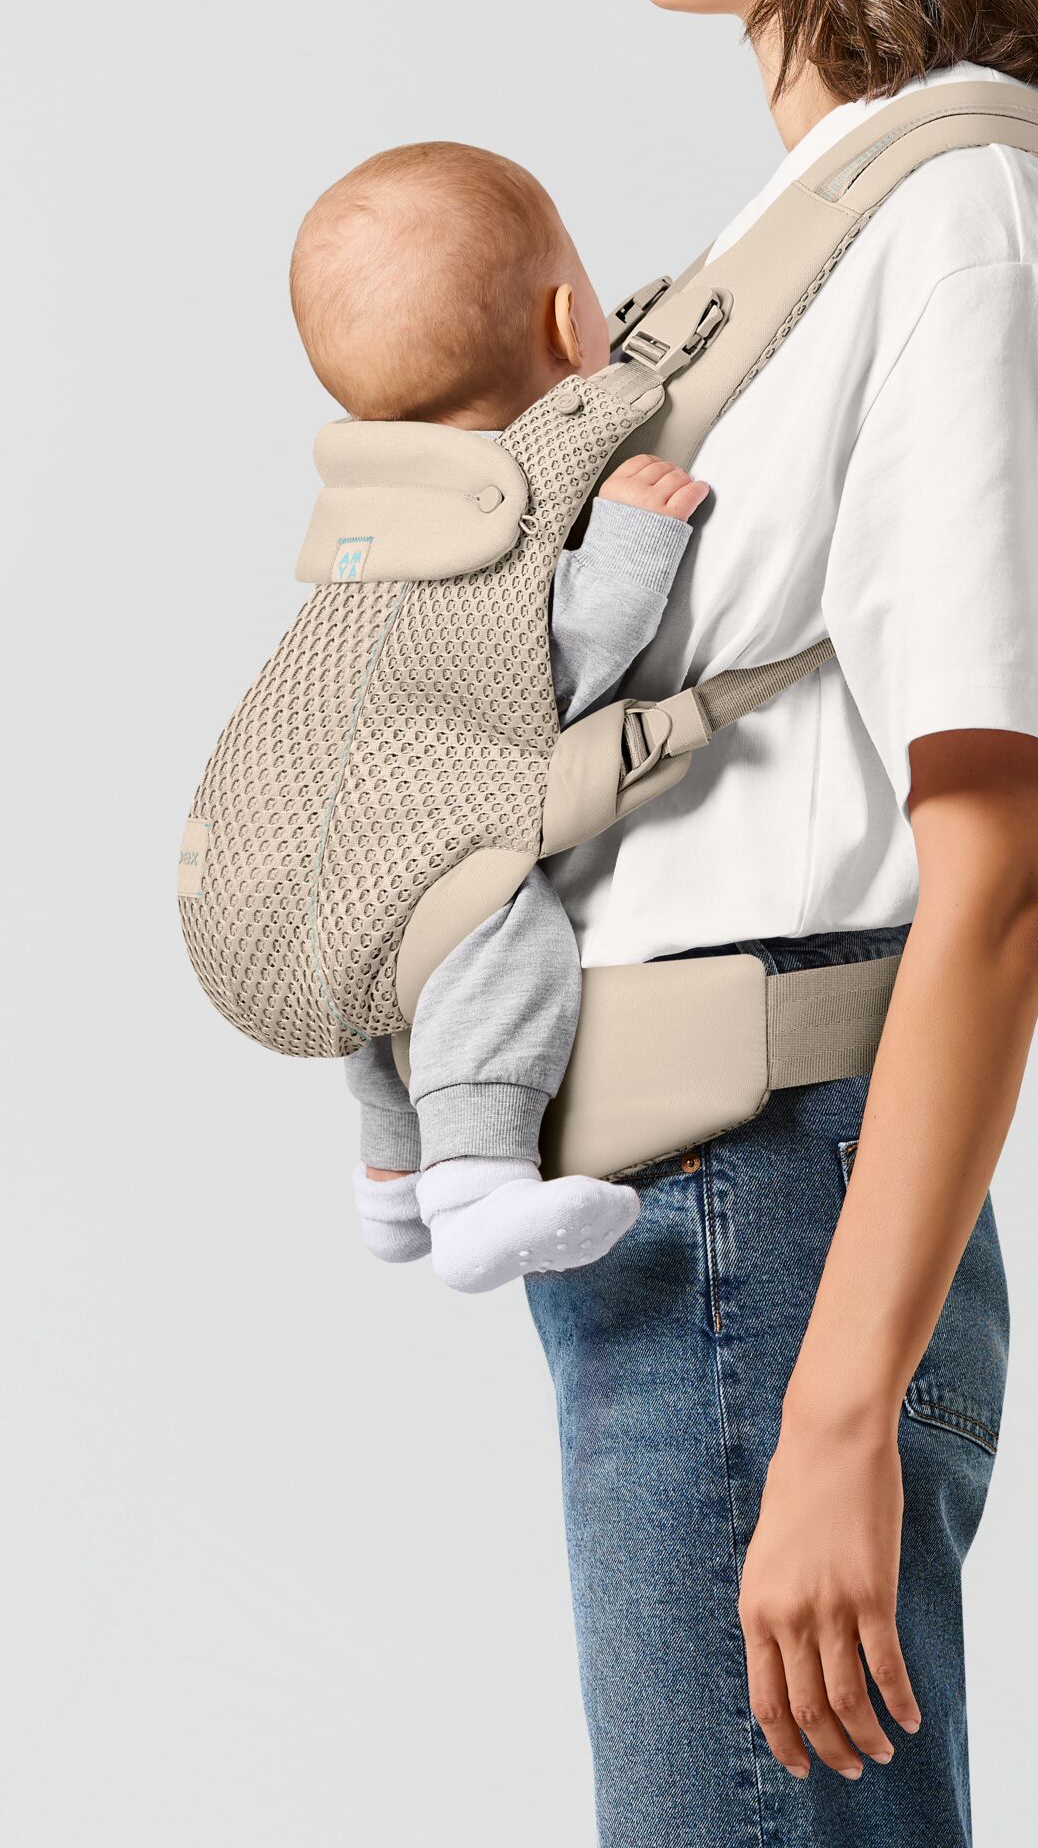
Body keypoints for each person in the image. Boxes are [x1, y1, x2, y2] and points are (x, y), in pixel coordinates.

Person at [524, 0, 1038, 1842]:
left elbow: (1010, 867)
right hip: (698, 1223)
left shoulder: (968, 217)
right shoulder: (817, 230)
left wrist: (837, 1404)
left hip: (773, 1216)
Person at [290, 142, 710, 1293]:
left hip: (341, 830)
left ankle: (390, 1177)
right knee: (502, 937)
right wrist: (632, 539)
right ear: (571, 324)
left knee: (384, 985)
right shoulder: (506, 501)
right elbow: (549, 663)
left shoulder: (380, 509)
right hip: (441, 830)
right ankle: (475, 1188)